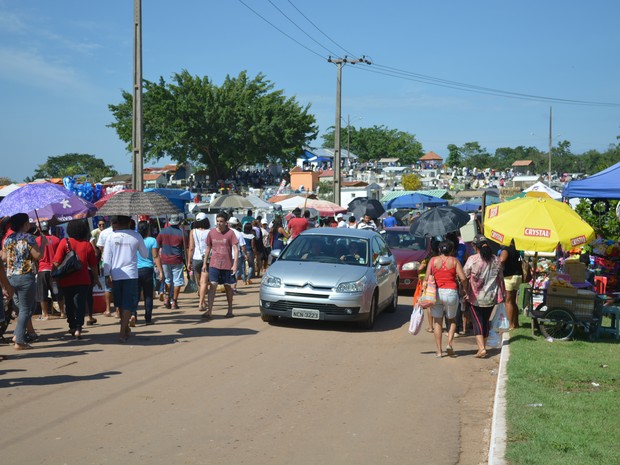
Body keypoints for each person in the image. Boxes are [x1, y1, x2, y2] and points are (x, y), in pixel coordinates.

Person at [102, 215, 148, 343]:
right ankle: (123, 331)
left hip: (116, 274)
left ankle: (124, 327)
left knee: (120, 303)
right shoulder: (136, 236)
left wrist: (107, 274)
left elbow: (106, 259)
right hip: (131, 274)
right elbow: (145, 254)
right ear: (129, 222)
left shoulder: (111, 236)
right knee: (128, 303)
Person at [2, 213, 45, 350]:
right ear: (25, 224)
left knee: (22, 308)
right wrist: (43, 244)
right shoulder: (28, 238)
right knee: (26, 308)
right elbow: (38, 256)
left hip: (11, 277)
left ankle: (17, 334)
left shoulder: (8, 239)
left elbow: (3, 257)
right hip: (25, 276)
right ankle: (19, 340)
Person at [53, 219, 100, 339]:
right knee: (80, 304)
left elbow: (56, 262)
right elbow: (93, 264)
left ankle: (72, 326)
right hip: (83, 280)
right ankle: (79, 328)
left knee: (69, 304)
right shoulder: (87, 245)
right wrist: (96, 278)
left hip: (66, 280)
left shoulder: (64, 242)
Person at [464, 234, 505, 358]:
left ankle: (481, 348)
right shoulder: (496, 260)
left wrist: (464, 291)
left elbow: (464, 275)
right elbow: (501, 279)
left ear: (475, 247)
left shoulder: (473, 259)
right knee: (485, 322)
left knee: (477, 322)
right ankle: (483, 347)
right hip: (491, 297)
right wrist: (503, 293)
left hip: (475, 298)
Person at [428, 240, 467, 358]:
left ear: (440, 250)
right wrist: (464, 289)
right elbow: (463, 278)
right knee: (452, 320)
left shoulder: (433, 260)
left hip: (436, 293)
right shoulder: (454, 261)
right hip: (451, 293)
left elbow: (427, 277)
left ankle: (439, 351)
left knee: (437, 322)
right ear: (452, 250)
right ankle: (449, 343)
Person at [201, 213, 238, 319]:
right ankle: (209, 311)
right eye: (217, 221)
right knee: (212, 287)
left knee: (227, 287)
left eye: (221, 221)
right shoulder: (211, 233)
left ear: (226, 222)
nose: (219, 223)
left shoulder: (231, 233)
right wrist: (204, 263)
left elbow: (235, 249)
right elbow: (208, 248)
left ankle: (230, 310)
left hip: (227, 265)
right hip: (214, 264)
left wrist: (235, 264)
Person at [35, 221, 64, 320]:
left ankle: (45, 314)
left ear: (40, 229)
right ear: (48, 228)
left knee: (42, 293)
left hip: (42, 270)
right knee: (57, 291)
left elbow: (35, 257)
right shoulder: (56, 239)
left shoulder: (37, 240)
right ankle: (63, 312)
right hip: (54, 271)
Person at [136, 221, 164, 325]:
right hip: (148, 270)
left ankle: (134, 314)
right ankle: (148, 317)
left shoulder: (135, 240)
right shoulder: (152, 240)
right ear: (148, 230)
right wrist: (161, 271)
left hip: (136, 270)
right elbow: (156, 256)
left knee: (136, 294)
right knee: (148, 295)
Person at [157, 214, 186, 310]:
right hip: (177, 259)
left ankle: (166, 297)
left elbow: (157, 245)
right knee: (177, 281)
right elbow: (185, 247)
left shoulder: (162, 232)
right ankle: (174, 301)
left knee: (168, 280)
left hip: (165, 259)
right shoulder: (182, 233)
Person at [499, 240, 522, 329]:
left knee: (508, 301)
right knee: (513, 301)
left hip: (509, 277)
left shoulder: (506, 250)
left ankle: (510, 325)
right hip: (518, 276)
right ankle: (516, 323)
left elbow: (502, 260)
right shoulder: (516, 249)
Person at [96, 221, 116, 317]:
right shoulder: (121, 233)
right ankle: (118, 310)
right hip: (118, 262)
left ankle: (108, 309)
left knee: (108, 286)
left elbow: (100, 247)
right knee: (118, 286)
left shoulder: (104, 233)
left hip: (106, 262)